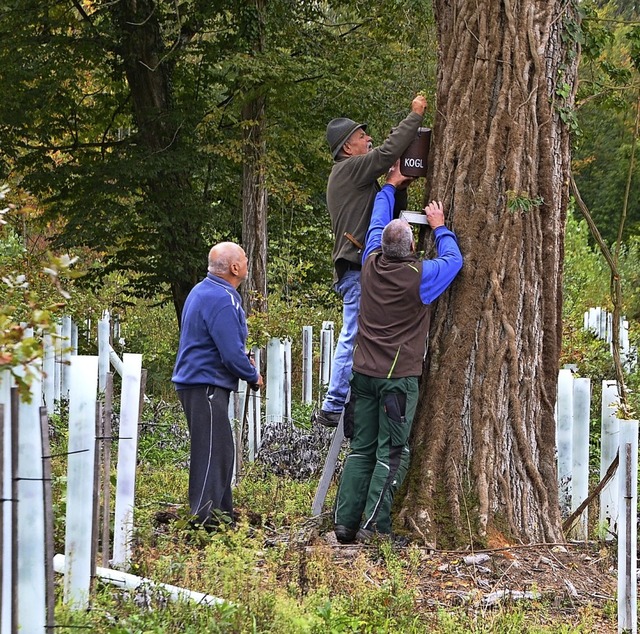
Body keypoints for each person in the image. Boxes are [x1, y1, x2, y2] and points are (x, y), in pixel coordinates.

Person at [332, 162, 463, 544]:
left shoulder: (370, 264)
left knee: (360, 450)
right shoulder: (419, 278)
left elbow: (375, 223)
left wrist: (389, 186)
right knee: (392, 453)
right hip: (395, 382)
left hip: (363, 375)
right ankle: (376, 527)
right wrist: (439, 227)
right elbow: (454, 262)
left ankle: (345, 524)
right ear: (411, 248)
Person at [313, 94, 428, 429]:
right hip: (356, 269)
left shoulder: (354, 177)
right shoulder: (349, 169)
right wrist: (415, 116)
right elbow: (387, 153)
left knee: (365, 334)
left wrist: (397, 186)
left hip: (359, 268)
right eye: (362, 137)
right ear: (348, 148)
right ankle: (334, 403)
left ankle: (347, 403)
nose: (369, 140)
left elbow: (385, 210)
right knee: (356, 333)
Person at [172, 242, 263, 529]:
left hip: (197, 381)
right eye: (245, 258)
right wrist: (251, 374)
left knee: (219, 449)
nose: (248, 261)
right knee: (213, 451)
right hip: (206, 383)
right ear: (234, 268)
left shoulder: (202, 291)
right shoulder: (224, 298)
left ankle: (222, 516)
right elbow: (230, 352)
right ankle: (205, 522)